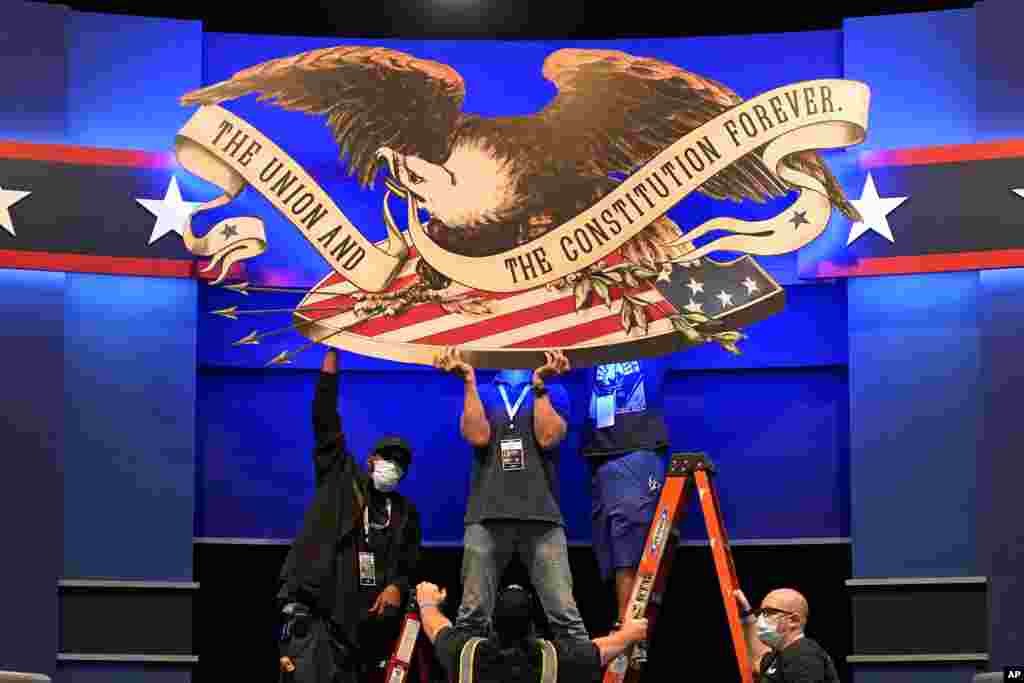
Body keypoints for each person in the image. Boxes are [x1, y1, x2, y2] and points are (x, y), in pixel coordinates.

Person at [276, 349, 422, 683]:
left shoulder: (404, 513)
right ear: (371, 460)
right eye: (388, 458)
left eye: (400, 464)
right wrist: (330, 359)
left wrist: (397, 587)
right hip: (316, 616)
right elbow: (324, 419)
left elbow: (408, 565)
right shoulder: (342, 478)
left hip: (363, 632)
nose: (393, 467)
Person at [434, 347, 590, 646]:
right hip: (486, 516)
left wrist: (540, 388)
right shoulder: (482, 390)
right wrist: (468, 381)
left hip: (542, 516)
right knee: (472, 616)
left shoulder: (554, 390)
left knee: (565, 617)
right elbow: (476, 436)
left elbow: (548, 438)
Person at [579, 356, 673, 663]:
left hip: (637, 449)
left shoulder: (653, 340)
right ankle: (627, 626)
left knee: (628, 546)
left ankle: (628, 628)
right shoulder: (592, 338)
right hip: (598, 453)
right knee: (608, 547)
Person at [414, 580, 649, 683]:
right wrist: (629, 634)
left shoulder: (465, 653)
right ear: (533, 627)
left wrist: (426, 600)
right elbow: (600, 651)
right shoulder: (552, 659)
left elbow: (436, 627)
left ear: (492, 625)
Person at [733, 587, 840, 683]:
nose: (760, 619)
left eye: (768, 612)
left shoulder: (804, 655)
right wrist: (746, 615)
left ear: (794, 620)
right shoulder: (780, 654)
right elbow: (758, 659)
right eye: (761, 612)